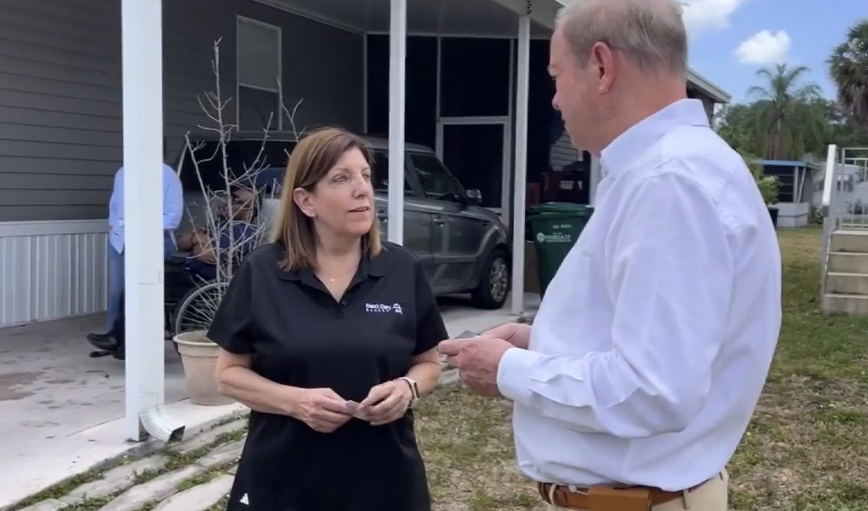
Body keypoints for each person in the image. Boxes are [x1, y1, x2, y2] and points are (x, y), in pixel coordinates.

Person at [439, 1, 782, 510]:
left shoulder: (669, 184)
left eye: (556, 75)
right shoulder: (676, 172)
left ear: (601, 66)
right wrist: (540, 342)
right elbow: (652, 342)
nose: (553, 99)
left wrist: (510, 369)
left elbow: (654, 390)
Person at [208, 127, 446, 511]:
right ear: (306, 201)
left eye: (366, 176)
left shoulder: (402, 269)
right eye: (341, 178)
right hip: (284, 482)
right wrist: (295, 402)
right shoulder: (263, 272)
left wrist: (407, 389)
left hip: (385, 481)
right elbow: (226, 375)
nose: (362, 189)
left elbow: (429, 364)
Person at [87, 140, 184, 348]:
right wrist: (113, 225)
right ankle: (115, 337)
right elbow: (114, 205)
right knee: (117, 293)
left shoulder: (167, 175)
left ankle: (134, 342)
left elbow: (172, 217)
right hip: (120, 240)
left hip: (153, 242)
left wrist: (140, 228)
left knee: (137, 294)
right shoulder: (123, 173)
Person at [177, 186, 260, 282]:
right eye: (228, 198)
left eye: (235, 200)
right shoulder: (220, 224)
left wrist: (196, 242)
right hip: (186, 273)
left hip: (202, 282)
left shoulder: (243, 231)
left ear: (248, 212)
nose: (227, 202)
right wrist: (196, 239)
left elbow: (206, 254)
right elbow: (180, 242)